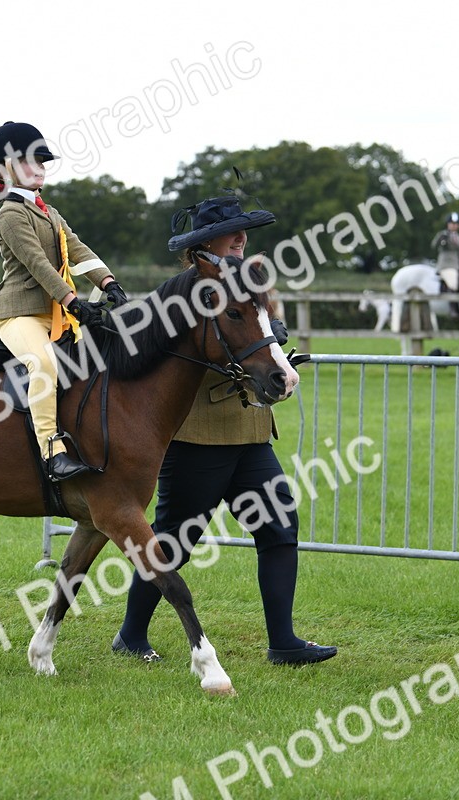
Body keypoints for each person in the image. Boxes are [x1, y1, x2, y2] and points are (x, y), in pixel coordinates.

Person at [111, 195, 337, 667]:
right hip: (199, 433)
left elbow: (262, 337)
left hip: (251, 431)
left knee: (278, 527)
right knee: (174, 540)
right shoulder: (187, 289)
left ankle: (284, 642)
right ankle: (131, 634)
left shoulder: (252, 280)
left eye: (243, 230)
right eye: (232, 231)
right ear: (204, 244)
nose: (242, 238)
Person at [0, 121, 129, 482]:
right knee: (43, 365)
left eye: (43, 162)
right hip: (20, 314)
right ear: (7, 169)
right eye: (30, 162)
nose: (39, 169)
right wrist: (75, 302)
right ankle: (51, 452)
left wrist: (109, 282)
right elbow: (39, 265)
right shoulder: (10, 214)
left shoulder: (50, 212)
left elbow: (77, 250)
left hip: (57, 313)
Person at [433, 212, 459, 315]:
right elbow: (435, 246)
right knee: (453, 282)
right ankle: (453, 308)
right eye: (452, 223)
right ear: (448, 224)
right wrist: (440, 240)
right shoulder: (442, 235)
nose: (455, 226)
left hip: (457, 264)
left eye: (457, 224)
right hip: (446, 265)